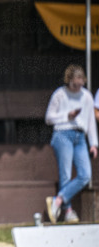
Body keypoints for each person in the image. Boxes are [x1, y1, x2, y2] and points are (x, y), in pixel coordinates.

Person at [44, 64, 96, 223]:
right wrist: (68, 116)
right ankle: (68, 211)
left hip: (80, 137)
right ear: (69, 81)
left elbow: (90, 121)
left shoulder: (86, 96)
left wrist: (94, 143)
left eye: (81, 84)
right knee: (65, 174)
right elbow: (49, 118)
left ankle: (58, 200)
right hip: (63, 134)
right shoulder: (60, 95)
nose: (78, 87)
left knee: (85, 174)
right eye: (75, 84)